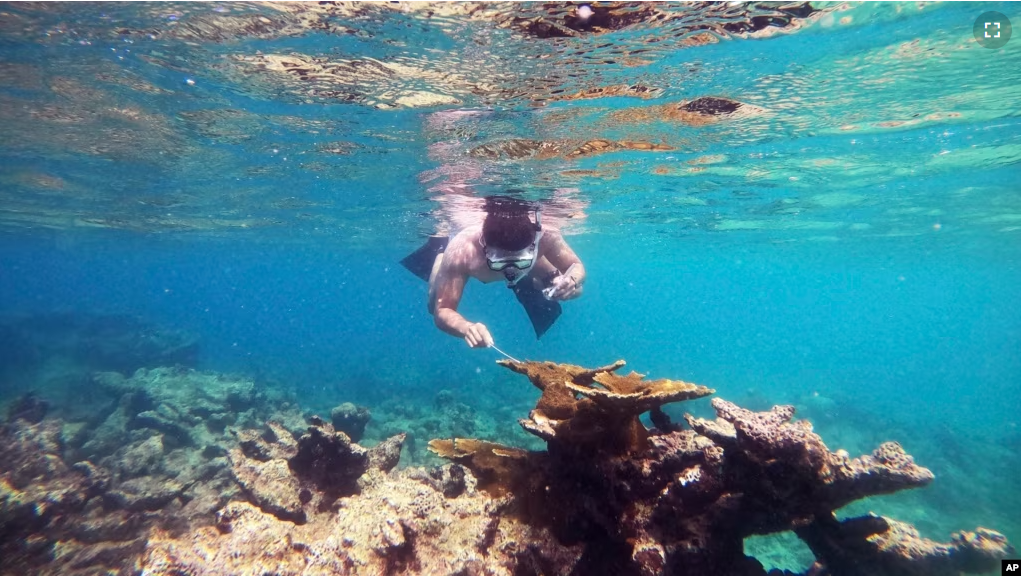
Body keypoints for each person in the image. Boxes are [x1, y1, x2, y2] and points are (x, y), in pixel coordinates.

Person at [401, 195, 585, 348]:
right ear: (484, 246)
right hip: (467, 258)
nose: (510, 269)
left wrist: (571, 280)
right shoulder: (463, 250)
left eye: (520, 261)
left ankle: (536, 280)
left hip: (535, 265)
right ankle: (440, 250)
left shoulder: (547, 236)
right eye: (501, 262)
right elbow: (443, 311)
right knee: (432, 306)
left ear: (534, 242)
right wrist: (466, 328)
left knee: (576, 291)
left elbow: (576, 266)